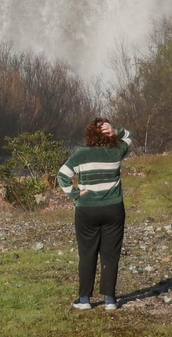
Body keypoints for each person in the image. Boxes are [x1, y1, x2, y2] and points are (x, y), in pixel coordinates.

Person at [56, 117, 133, 311]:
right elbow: (129, 138)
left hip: (86, 210)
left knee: (87, 253)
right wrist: (117, 131)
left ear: (89, 135)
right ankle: (110, 300)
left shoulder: (80, 155)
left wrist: (74, 194)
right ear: (108, 135)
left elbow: (62, 175)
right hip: (113, 209)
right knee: (110, 254)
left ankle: (84, 300)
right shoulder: (116, 152)